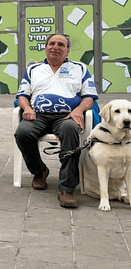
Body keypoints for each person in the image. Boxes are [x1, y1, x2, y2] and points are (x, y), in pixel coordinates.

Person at [14, 34, 98, 208]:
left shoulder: (79, 68)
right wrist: (27, 109)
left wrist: (79, 110)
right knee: (23, 133)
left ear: (67, 50)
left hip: (67, 116)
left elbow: (89, 97)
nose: (55, 47)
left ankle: (66, 189)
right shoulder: (33, 69)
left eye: (61, 44)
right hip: (38, 115)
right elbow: (22, 95)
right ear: (45, 48)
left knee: (70, 130)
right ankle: (39, 172)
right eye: (51, 43)